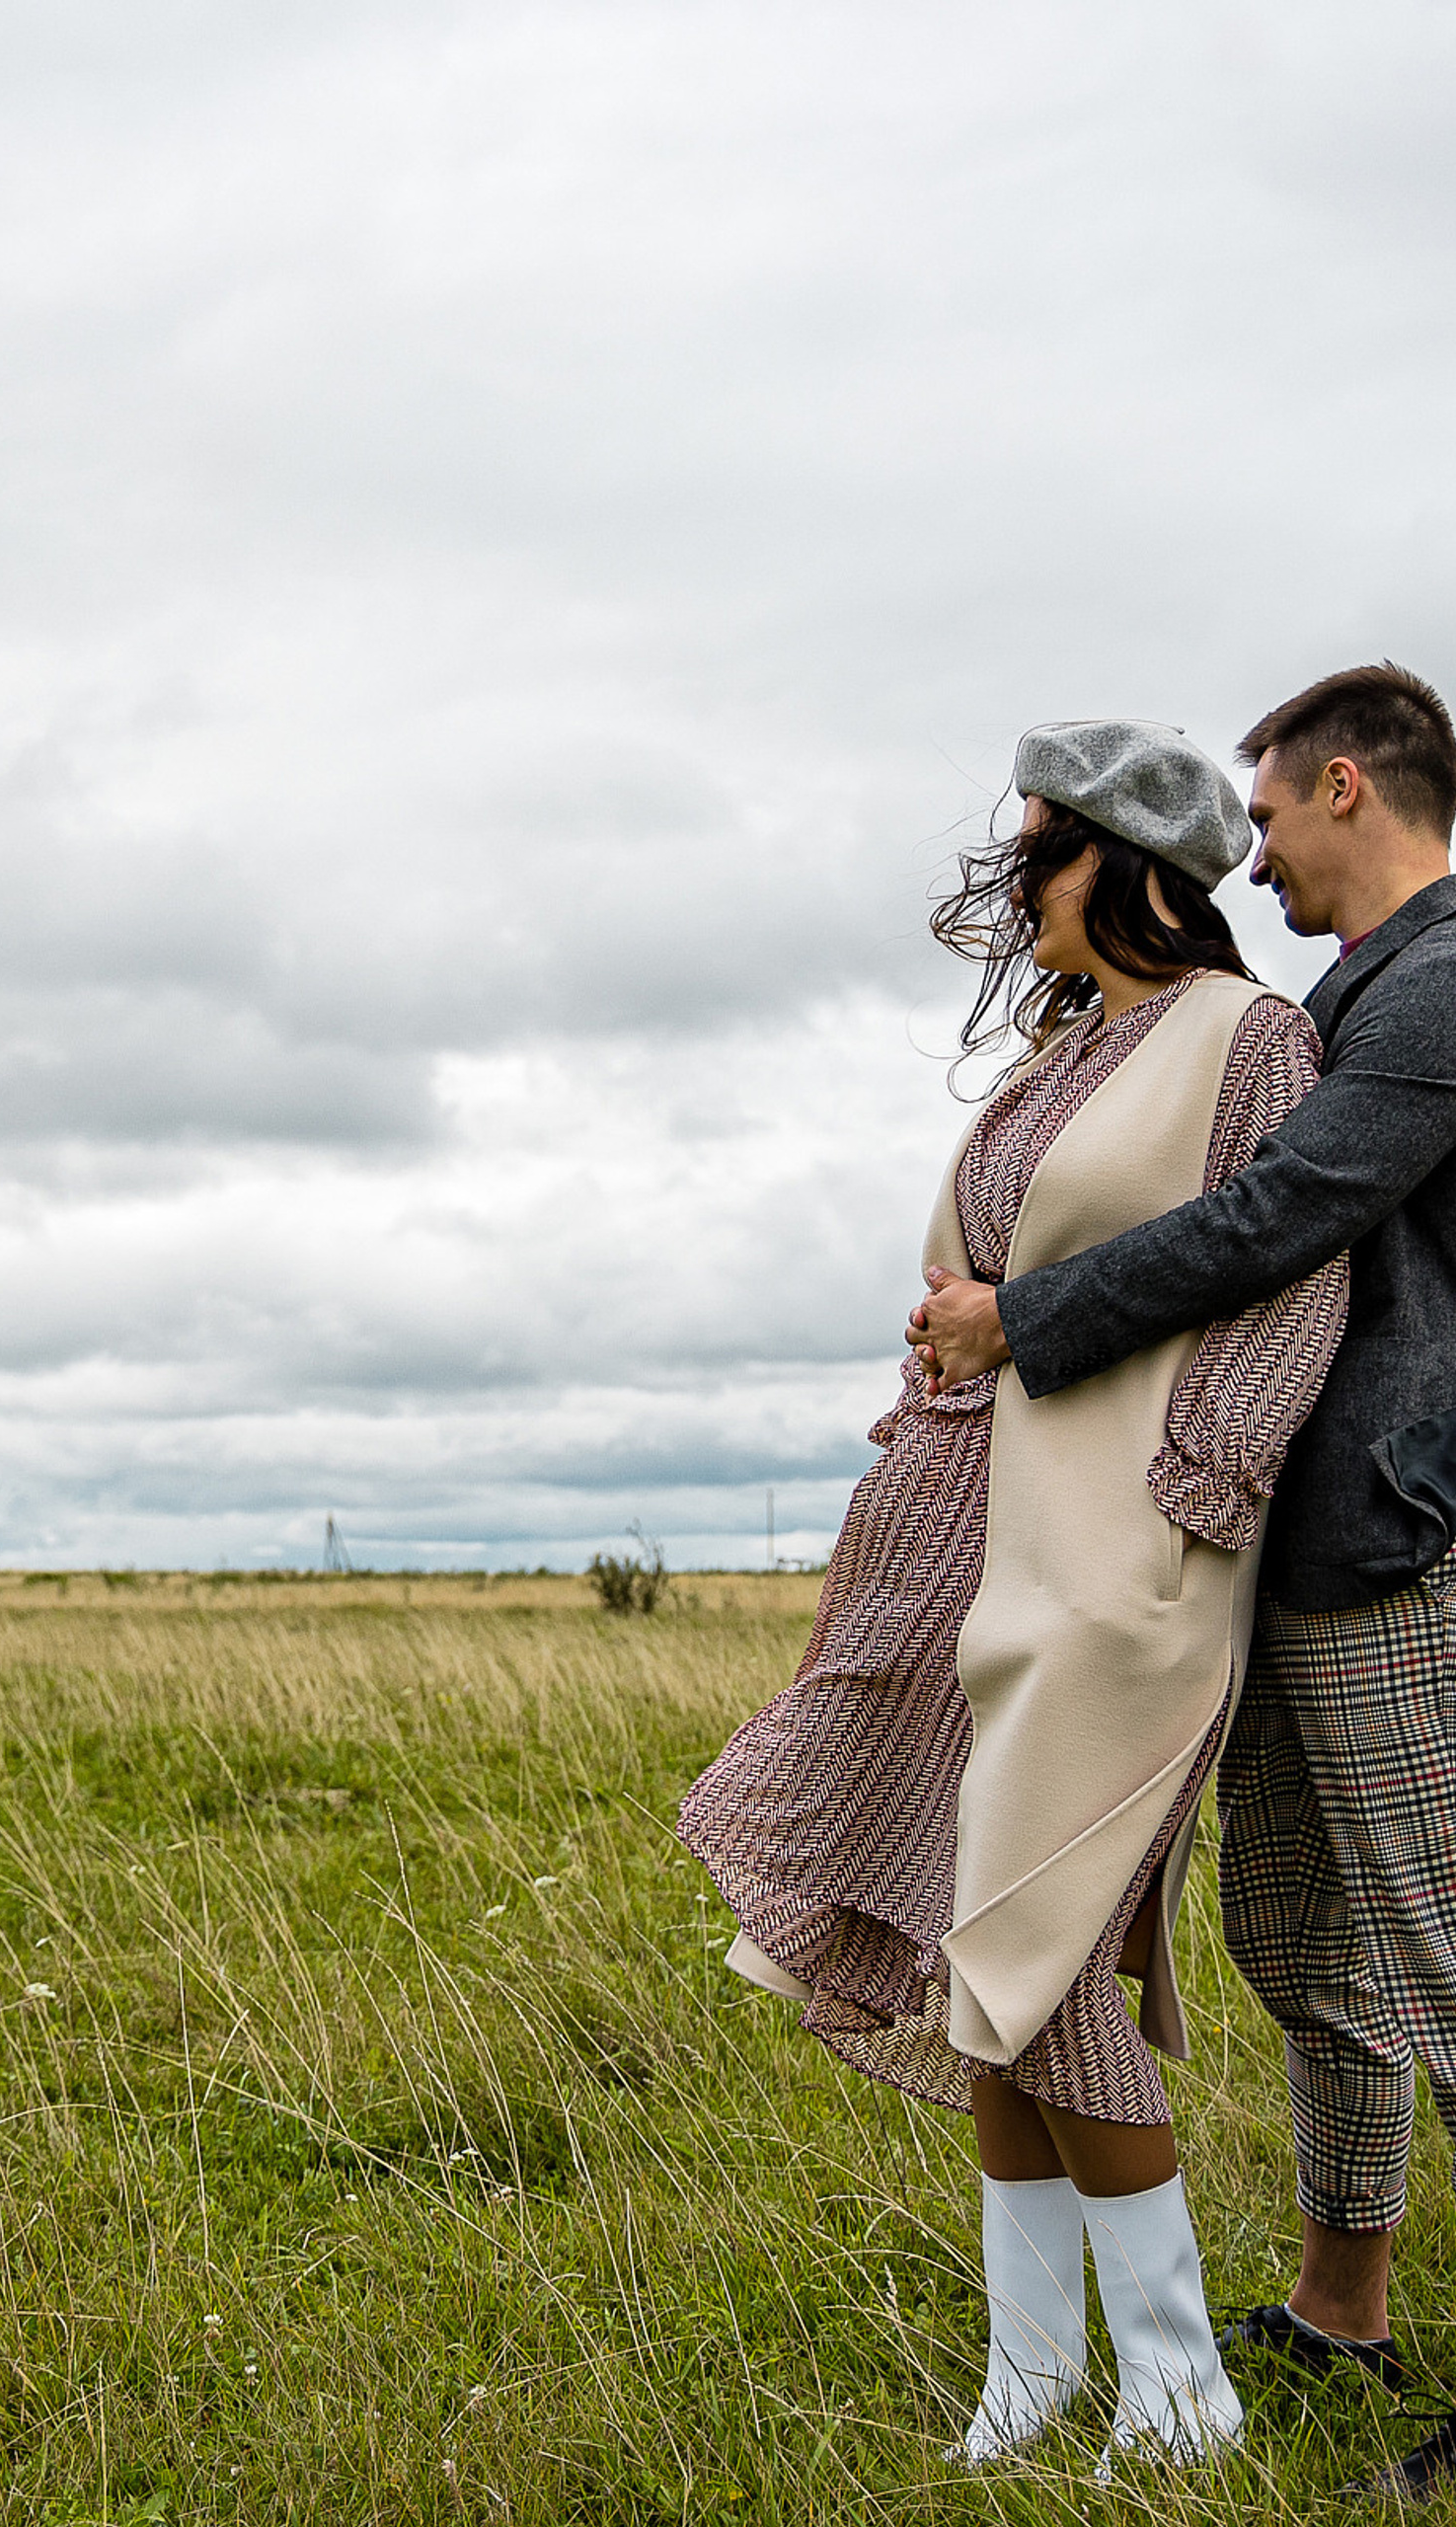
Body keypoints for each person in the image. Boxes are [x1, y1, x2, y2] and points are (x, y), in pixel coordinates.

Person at [682, 719, 1348, 2474]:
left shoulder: (1247, 1038)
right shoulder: (1065, 1052)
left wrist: (1195, 1499)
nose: (1014, 887)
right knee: (997, 1962)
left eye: (1040, 854)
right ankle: (1034, 2375)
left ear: (1129, 866)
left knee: (1048, 1964)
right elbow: (970, 1271)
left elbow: (1293, 1282)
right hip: (994, 1548)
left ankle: (1183, 2391)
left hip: (1132, 1567)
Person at [911, 663, 1456, 2505]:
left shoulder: (1423, 994)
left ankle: (1231, 2367)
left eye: (1281, 811)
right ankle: (1334, 2311)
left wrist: (1031, 1325)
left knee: (1441, 1962)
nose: (1264, 849)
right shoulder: (1345, 995)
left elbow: (1279, 1227)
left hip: (1382, 1537)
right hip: (1291, 1548)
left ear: (1350, 789)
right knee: (1311, 1959)